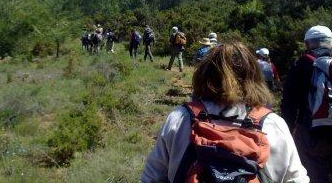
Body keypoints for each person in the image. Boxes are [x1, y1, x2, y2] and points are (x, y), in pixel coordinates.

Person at [142, 42, 309, 183]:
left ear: (203, 75)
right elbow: (297, 178)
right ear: (254, 77)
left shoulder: (179, 118)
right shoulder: (274, 124)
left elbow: (151, 177)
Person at [281, 25, 332, 182]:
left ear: (308, 43)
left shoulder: (302, 64)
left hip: (312, 131)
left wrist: (287, 130)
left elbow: (289, 102)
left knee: (315, 172)